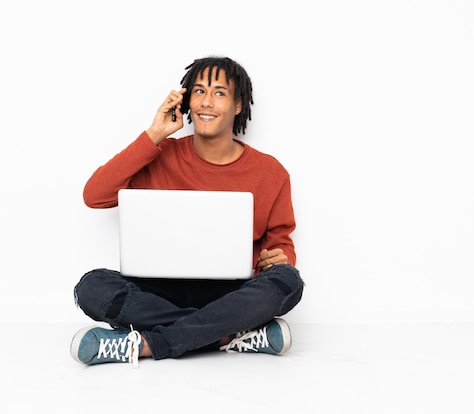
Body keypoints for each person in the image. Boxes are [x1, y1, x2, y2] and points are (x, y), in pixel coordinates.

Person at [70, 56, 305, 367]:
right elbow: (94, 196)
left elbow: (281, 243)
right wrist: (154, 134)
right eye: (199, 91)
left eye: (219, 93)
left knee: (288, 281)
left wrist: (281, 257)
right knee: (91, 287)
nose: (207, 102)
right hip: (161, 291)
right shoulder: (157, 154)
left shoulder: (270, 172)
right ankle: (227, 336)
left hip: (229, 293)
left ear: (238, 105)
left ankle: (148, 345)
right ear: (186, 100)